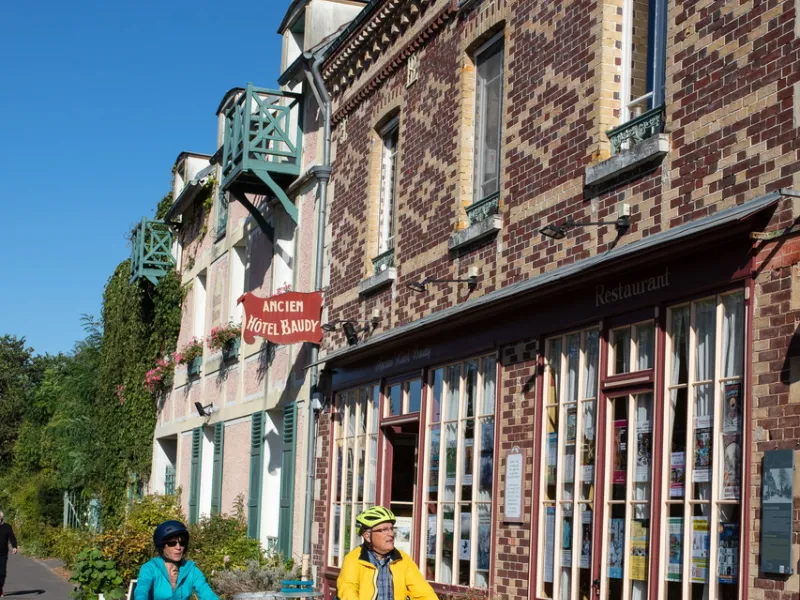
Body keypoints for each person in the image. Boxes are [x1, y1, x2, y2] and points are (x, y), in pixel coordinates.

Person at [337, 506, 437, 600]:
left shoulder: (402, 559)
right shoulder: (354, 559)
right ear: (367, 536)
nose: (391, 534)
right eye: (384, 530)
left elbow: (422, 591)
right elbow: (348, 590)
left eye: (391, 528)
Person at [134, 520, 218, 600]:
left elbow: (207, 594)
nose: (178, 547)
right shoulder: (150, 568)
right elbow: (141, 591)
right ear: (162, 546)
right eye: (172, 543)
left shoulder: (191, 570)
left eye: (182, 543)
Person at [0, 511, 18, 597]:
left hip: (3, 553)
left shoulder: (7, 527)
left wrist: (14, 546)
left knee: (2, 573)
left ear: (1, 518)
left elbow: (12, 538)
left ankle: (0, 588)